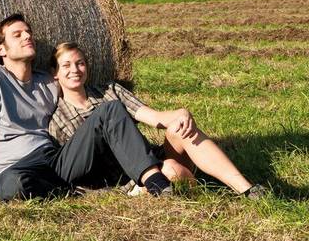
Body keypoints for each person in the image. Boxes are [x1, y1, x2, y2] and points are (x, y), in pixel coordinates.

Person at [0, 13, 175, 201]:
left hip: (56, 158)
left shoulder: (48, 82)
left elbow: (75, 80)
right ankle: (75, 191)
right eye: (17, 35)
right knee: (14, 186)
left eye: (28, 32)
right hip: (16, 168)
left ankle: (155, 181)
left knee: (110, 109)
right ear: (0, 49)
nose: (27, 36)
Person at [48, 41, 265, 198]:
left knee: (180, 129)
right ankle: (197, 187)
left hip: (149, 156)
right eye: (66, 65)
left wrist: (180, 114)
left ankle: (246, 189)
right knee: (172, 170)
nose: (75, 70)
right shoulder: (58, 118)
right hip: (125, 177)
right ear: (55, 73)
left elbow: (151, 116)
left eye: (80, 63)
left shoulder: (109, 90)